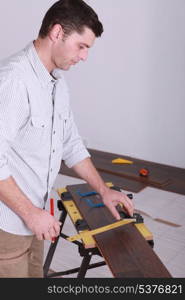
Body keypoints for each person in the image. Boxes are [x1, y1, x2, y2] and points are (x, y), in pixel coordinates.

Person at [0, 0, 134, 278]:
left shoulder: (57, 83)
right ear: (57, 32)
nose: (84, 56)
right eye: (82, 46)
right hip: (9, 223)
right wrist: (30, 214)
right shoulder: (14, 79)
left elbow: (71, 144)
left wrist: (103, 190)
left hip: (33, 218)